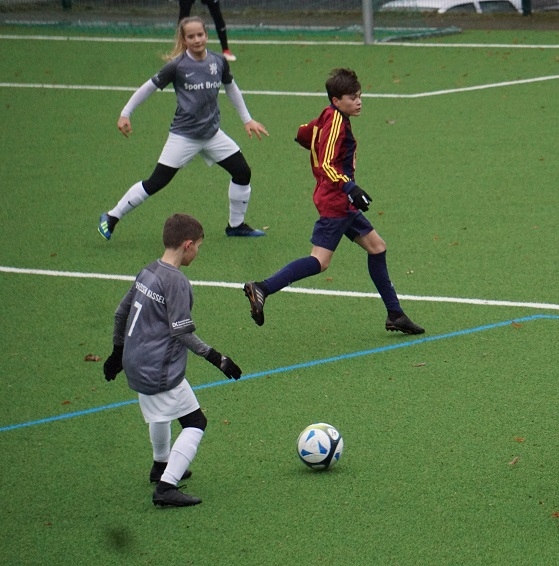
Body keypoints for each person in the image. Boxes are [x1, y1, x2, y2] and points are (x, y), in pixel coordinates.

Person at [242, 68, 424, 335]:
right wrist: (350, 186)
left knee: (377, 247)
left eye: (359, 96)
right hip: (336, 201)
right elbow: (327, 163)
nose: (359, 102)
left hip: (341, 200)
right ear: (337, 100)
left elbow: (303, 133)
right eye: (352, 98)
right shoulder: (336, 122)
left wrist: (319, 148)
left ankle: (395, 314)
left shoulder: (328, 114)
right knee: (320, 261)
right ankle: (262, 288)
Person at [103, 213, 243, 508]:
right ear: (187, 245)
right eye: (198, 247)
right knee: (196, 422)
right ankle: (166, 487)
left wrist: (117, 353)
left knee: (161, 413)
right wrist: (217, 358)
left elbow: (120, 313)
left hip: (135, 362)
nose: (197, 252)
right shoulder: (176, 282)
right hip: (158, 369)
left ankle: (160, 465)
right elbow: (182, 333)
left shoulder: (148, 271)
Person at [98, 16, 269, 242]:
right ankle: (111, 216)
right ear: (184, 39)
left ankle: (235, 226)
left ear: (206, 35)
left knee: (242, 172)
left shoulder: (218, 61)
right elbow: (148, 87)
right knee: (156, 182)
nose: (197, 40)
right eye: (191, 36)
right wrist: (125, 113)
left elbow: (231, 88)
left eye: (200, 35)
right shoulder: (177, 66)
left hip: (212, 134)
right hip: (184, 136)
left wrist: (247, 119)